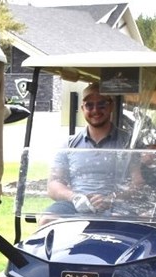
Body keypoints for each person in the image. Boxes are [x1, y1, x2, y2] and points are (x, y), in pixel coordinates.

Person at [41, 82, 134, 217]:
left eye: (101, 104)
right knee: (47, 220)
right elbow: (54, 183)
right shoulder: (69, 145)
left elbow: (138, 183)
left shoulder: (128, 143)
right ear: (82, 108)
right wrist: (75, 197)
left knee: (122, 226)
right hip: (75, 205)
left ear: (111, 106)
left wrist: (112, 199)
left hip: (118, 206)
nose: (95, 110)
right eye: (89, 105)